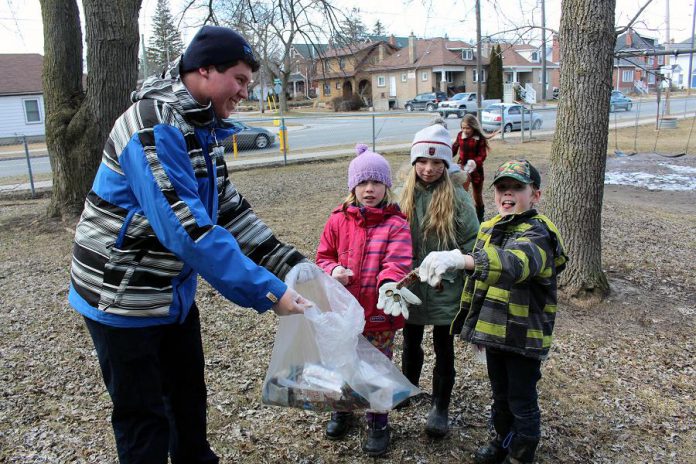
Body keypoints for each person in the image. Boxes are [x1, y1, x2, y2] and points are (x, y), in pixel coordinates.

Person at [68, 26, 314, 464]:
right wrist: (269, 291)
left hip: (171, 295)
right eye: (238, 80)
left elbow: (231, 213)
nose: (244, 92)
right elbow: (185, 229)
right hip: (123, 296)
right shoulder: (153, 126)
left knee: (186, 398)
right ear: (203, 70)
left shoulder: (201, 126)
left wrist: (298, 268)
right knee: (143, 416)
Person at [419, 159, 568, 464]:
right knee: (500, 396)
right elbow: (477, 272)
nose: (507, 194)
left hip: (523, 338)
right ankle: (502, 440)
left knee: (521, 400)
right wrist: (440, 274)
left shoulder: (539, 234)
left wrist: (461, 260)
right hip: (494, 332)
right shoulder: (490, 227)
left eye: (517, 187)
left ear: (535, 195)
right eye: (502, 187)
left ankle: (521, 453)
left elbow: (513, 264)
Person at [315, 144, 420, 457]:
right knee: (341, 361)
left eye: (376, 182)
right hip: (343, 312)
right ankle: (342, 409)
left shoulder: (396, 224)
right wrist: (333, 269)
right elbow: (323, 255)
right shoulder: (337, 220)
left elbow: (398, 261)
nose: (369, 189)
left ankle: (377, 421)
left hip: (379, 313)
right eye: (362, 182)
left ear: (386, 186)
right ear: (353, 187)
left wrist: (389, 284)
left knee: (376, 367)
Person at [398, 124, 479, 437]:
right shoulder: (403, 196)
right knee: (410, 340)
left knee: (444, 347)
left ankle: (440, 406)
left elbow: (474, 242)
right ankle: (407, 388)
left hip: (446, 287)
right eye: (422, 161)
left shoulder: (458, 198)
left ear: (446, 165)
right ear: (413, 162)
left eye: (436, 163)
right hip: (412, 286)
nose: (428, 169)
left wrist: (453, 263)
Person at [452, 114, 496, 222]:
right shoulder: (460, 135)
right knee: (462, 194)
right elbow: (453, 149)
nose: (465, 130)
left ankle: (479, 218)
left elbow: (482, 155)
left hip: (476, 170)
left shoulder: (479, 138)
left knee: (477, 195)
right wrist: (445, 155)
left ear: (473, 127)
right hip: (463, 169)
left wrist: (475, 162)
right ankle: (462, 217)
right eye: (463, 128)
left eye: (468, 128)